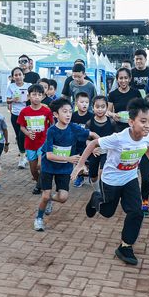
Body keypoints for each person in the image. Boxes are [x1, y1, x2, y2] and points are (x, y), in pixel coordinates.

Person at [72, 98, 149, 266]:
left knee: (136, 212)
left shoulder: (146, 136)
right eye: (143, 121)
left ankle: (125, 247)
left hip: (130, 178)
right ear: (131, 122)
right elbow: (94, 143)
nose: (147, 125)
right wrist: (80, 164)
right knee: (107, 212)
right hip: (111, 180)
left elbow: (147, 148)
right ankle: (95, 199)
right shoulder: (118, 138)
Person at [34, 98, 97, 231]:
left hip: (64, 168)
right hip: (48, 166)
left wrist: (100, 144)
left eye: (70, 111)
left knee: (63, 198)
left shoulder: (74, 128)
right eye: (64, 111)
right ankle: (39, 218)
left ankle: (50, 200)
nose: (68, 114)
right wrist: (68, 158)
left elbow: (92, 134)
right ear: (56, 114)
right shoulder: (51, 131)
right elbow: (49, 155)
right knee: (45, 194)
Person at [18, 84, 54, 195]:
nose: (36, 97)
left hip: (43, 142)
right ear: (29, 96)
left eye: (39, 95)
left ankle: (40, 186)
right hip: (30, 144)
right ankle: (40, 183)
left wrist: (50, 137)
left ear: (43, 96)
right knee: (33, 170)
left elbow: (52, 125)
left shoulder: (47, 111)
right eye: (34, 94)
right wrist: (28, 134)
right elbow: (22, 127)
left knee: (41, 166)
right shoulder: (24, 111)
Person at [87, 95, 117, 198]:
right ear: (93, 107)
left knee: (103, 171)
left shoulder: (112, 122)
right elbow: (86, 140)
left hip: (107, 153)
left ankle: (104, 193)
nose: (100, 109)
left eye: (103, 106)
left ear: (107, 107)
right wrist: (92, 149)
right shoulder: (89, 123)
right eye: (97, 106)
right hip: (95, 152)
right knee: (93, 176)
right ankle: (98, 191)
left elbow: (115, 139)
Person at [6, 67, 30, 168]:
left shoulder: (29, 85)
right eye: (15, 75)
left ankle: (23, 157)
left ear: (23, 76)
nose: (18, 77)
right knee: (18, 136)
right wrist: (13, 100)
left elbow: (33, 96)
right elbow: (7, 100)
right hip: (15, 115)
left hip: (26, 115)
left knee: (22, 135)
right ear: (12, 77)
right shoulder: (11, 87)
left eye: (20, 74)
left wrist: (27, 98)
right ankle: (23, 156)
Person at [109, 67, 144, 132]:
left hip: (134, 126)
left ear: (130, 79)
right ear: (117, 79)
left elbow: (142, 109)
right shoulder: (112, 94)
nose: (123, 81)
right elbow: (108, 111)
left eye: (126, 78)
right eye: (121, 78)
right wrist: (113, 115)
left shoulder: (136, 93)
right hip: (118, 127)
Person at [71, 91, 94, 188]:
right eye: (82, 102)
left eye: (86, 102)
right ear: (76, 103)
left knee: (89, 161)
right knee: (78, 161)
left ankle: (89, 174)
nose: (84, 104)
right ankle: (80, 177)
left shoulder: (92, 116)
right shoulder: (72, 116)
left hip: (88, 144)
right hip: (76, 144)